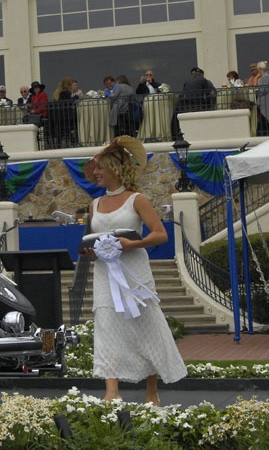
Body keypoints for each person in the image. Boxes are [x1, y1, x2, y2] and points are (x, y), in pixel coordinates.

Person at [81, 136, 186, 404]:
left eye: (99, 167)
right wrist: (92, 251)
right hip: (105, 273)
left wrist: (133, 244)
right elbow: (96, 238)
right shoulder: (94, 205)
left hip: (134, 270)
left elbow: (161, 235)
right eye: (94, 168)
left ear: (114, 168)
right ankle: (111, 391)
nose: (95, 172)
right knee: (106, 324)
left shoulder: (137, 199)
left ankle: (152, 391)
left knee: (144, 326)